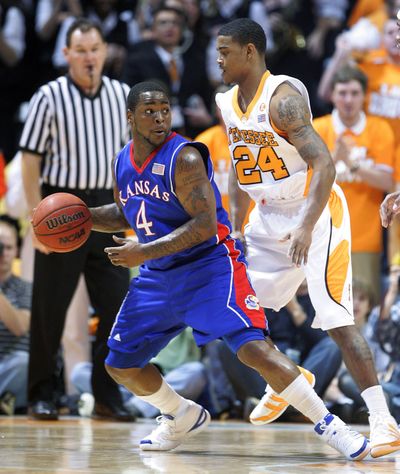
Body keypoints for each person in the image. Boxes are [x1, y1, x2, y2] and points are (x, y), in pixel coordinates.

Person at [88, 80, 370, 460]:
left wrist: (143, 251)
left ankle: (332, 426)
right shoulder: (122, 161)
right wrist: (83, 217)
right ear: (130, 117)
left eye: (164, 110)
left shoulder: (184, 158)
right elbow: (129, 211)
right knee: (120, 365)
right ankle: (180, 413)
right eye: (149, 112)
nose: (159, 118)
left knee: (255, 350)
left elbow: (204, 226)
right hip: (157, 277)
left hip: (208, 270)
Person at [215, 18, 400, 458]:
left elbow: (325, 164)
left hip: (315, 211)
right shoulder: (225, 103)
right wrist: (239, 226)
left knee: (336, 319)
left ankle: (383, 420)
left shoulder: (283, 99)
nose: (218, 58)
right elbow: (243, 172)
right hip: (266, 214)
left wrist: (304, 224)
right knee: (236, 314)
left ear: (250, 52)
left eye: (225, 50)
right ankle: (289, 377)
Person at [19, 18, 131, 421]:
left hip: (107, 210)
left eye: (94, 49)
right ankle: (41, 394)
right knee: (50, 309)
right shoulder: (48, 96)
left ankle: (107, 396)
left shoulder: (121, 96)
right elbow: (30, 161)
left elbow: (129, 160)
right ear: (66, 55)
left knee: (118, 309)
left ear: (105, 52)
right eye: (80, 50)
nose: (89, 57)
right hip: (60, 208)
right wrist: (35, 220)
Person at [313, 65, 395, 304]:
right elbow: (306, 184)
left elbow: (388, 182)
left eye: (354, 93)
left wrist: (352, 164)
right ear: (332, 96)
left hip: (365, 239)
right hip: (323, 237)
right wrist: (333, 160)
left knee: (363, 307)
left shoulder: (379, 129)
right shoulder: (318, 129)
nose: (348, 100)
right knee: (327, 309)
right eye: (342, 93)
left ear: (365, 96)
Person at [0, 216, 32, 415]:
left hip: (9, 368)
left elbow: (21, 327)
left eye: (8, 248)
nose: (2, 254)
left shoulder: (24, 288)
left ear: (17, 251)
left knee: (22, 361)